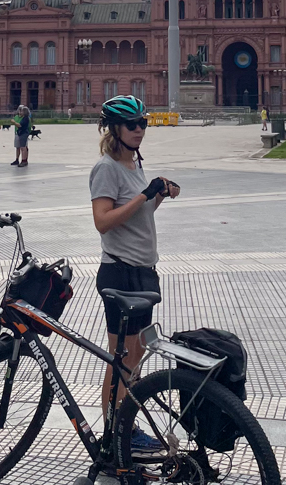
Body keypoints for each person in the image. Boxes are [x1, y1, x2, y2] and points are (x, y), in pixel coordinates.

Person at [89, 95, 180, 451]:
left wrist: (158, 195)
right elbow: (103, 222)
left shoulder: (132, 164)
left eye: (143, 123)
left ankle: (125, 424)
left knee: (135, 355)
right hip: (120, 274)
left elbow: (135, 215)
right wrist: (144, 195)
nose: (140, 129)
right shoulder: (107, 167)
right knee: (122, 358)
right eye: (132, 124)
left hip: (143, 271)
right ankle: (115, 432)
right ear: (114, 129)